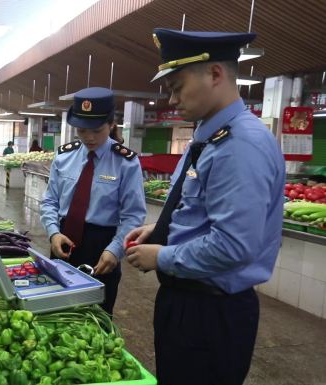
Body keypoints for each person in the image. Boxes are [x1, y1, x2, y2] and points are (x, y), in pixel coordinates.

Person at [124, 29, 285, 385]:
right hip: (186, 301)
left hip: (211, 312)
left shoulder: (241, 145)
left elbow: (233, 245)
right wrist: (158, 231)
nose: (172, 99)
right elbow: (197, 211)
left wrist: (160, 256)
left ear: (215, 74)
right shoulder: (206, 139)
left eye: (177, 86)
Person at [40, 87, 147, 315]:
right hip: (62, 243)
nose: (89, 137)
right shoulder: (64, 157)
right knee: (54, 315)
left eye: (97, 131)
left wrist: (115, 250)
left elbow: (133, 215)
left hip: (102, 250)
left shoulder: (126, 163)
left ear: (111, 124)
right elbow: (50, 202)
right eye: (81, 130)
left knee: (95, 319)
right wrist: (53, 233)